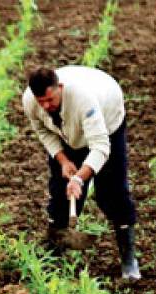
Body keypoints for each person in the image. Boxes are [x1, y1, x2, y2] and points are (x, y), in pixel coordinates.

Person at [22, 66, 141, 280]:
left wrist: (79, 178)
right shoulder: (31, 101)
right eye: (42, 102)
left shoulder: (84, 101)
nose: (46, 106)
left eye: (50, 99)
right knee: (59, 192)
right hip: (67, 133)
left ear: (60, 87)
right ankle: (54, 255)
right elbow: (43, 131)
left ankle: (129, 258)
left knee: (112, 193)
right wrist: (64, 160)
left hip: (106, 125)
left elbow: (101, 147)